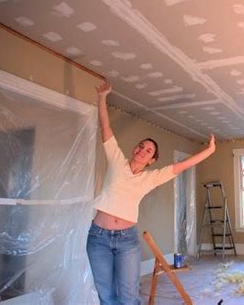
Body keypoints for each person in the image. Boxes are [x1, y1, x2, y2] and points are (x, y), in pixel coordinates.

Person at [86, 82, 215, 304]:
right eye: (140, 145)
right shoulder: (116, 160)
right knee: (106, 296)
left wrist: (209, 150)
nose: (142, 150)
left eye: (148, 151)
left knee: (128, 297)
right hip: (98, 237)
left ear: (151, 160)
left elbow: (182, 166)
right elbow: (105, 128)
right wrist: (102, 97)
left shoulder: (151, 178)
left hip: (127, 240)